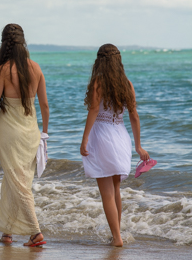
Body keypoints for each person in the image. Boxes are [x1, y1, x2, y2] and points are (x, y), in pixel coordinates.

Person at [0, 24, 49, 246]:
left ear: (4, 43)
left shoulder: (2, 70)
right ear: (23, 42)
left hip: (9, 132)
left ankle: (35, 232)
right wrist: (44, 134)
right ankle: (7, 231)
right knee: (16, 178)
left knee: (18, 181)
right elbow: (44, 105)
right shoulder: (36, 68)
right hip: (31, 131)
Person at [80, 43, 150, 247]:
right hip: (121, 137)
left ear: (99, 61)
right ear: (118, 61)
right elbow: (134, 116)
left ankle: (117, 238)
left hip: (102, 136)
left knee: (107, 193)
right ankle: (116, 235)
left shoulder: (98, 82)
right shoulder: (127, 84)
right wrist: (138, 146)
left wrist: (84, 140)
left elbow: (93, 111)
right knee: (116, 190)